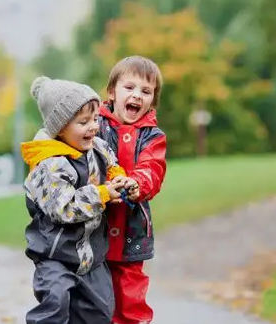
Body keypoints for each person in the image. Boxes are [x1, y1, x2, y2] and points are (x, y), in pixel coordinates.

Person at [21, 76, 138, 324]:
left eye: (95, 119)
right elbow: (64, 208)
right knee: (55, 307)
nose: (93, 127)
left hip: (92, 258)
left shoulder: (96, 147)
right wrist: (104, 193)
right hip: (55, 259)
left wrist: (119, 178)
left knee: (100, 313)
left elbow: (111, 161)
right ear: (60, 127)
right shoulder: (49, 164)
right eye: (83, 122)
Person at [97, 56, 167, 324]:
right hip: (94, 232)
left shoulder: (153, 136)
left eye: (146, 91)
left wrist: (137, 182)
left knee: (130, 300)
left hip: (131, 234)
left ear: (152, 101)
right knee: (94, 300)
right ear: (112, 92)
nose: (137, 95)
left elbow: (153, 168)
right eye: (130, 88)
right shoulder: (95, 126)